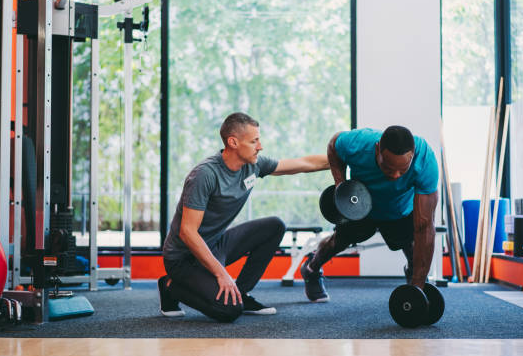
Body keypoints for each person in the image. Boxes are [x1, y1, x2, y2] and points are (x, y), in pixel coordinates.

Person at [158, 112, 329, 322]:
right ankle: (170, 286)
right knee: (228, 311)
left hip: (214, 245)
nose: (260, 146)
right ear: (233, 142)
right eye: (254, 141)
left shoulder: (253, 165)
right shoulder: (204, 175)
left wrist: (341, 159)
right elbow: (187, 232)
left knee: (274, 226)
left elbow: (304, 163)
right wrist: (222, 274)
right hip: (183, 259)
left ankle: (241, 292)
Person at [300, 126, 439, 302]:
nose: (396, 176)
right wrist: (341, 186)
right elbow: (333, 145)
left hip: (398, 208)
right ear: (377, 150)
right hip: (361, 206)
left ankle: (415, 279)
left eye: (403, 170)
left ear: (412, 156)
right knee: (338, 242)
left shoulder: (424, 160)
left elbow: (424, 227)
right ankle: (311, 269)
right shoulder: (358, 144)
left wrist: (417, 292)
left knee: (412, 246)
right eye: (388, 168)